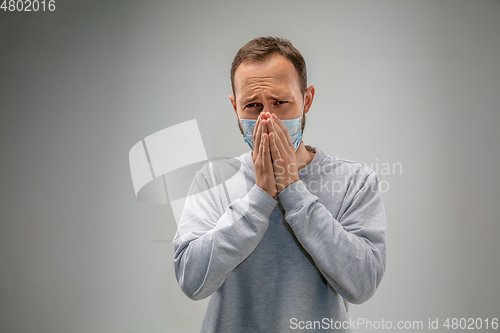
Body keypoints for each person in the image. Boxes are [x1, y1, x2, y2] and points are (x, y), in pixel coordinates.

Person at [173, 36, 387, 333]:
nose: (266, 118)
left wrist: (292, 189)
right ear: (235, 107)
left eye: (280, 103)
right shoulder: (213, 180)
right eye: (252, 105)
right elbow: (192, 281)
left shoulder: (355, 181)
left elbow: (362, 283)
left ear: (306, 100)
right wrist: (260, 197)